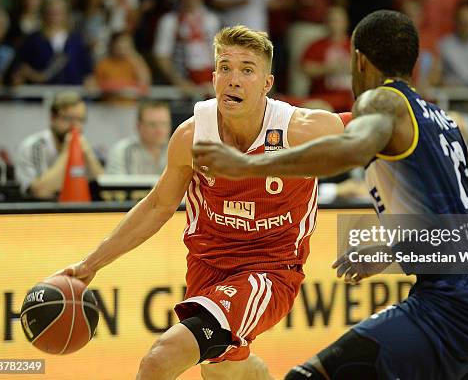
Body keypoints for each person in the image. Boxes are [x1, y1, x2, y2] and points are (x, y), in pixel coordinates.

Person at [193, 10, 468, 380]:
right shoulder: (441, 120)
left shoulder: (381, 101)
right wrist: (393, 251)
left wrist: (247, 166)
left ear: (359, 60)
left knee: (308, 377)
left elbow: (351, 149)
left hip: (454, 297)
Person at [57, 25, 344, 380]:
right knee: (226, 372)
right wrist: (90, 265)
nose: (233, 79)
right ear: (213, 77)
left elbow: (376, 132)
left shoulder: (300, 130)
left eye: (247, 69)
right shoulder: (192, 136)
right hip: (207, 269)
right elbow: (157, 205)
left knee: (159, 360)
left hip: (270, 271)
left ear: (267, 84)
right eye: (225, 67)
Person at [15, 92, 104, 199]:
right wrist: (67, 153)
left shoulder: (83, 146)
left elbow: (104, 190)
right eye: (68, 119)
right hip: (40, 213)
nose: (75, 126)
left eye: (80, 120)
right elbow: (40, 191)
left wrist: (89, 156)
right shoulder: (34, 147)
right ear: (53, 118)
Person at [105, 101, 171, 175]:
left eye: (164, 124)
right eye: (152, 125)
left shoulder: (176, 150)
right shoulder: (122, 151)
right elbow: (115, 185)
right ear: (138, 126)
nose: (159, 130)